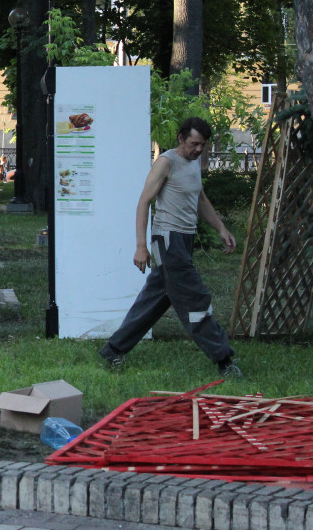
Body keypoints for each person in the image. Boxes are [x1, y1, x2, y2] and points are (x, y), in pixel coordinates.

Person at [99, 117, 241, 377]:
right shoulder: (166, 162)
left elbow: (200, 198)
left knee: (156, 299)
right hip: (167, 239)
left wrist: (221, 228)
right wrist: (141, 246)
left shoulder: (193, 162)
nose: (198, 149)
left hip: (183, 240)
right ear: (181, 139)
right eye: (193, 144)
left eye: (202, 145)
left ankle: (113, 350)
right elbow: (144, 202)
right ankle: (224, 360)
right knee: (195, 298)